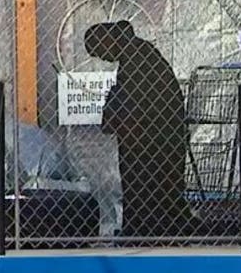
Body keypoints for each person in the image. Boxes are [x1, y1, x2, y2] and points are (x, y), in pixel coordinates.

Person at [84, 20, 197, 241]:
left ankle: (143, 228)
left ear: (107, 40)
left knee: (140, 179)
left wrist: (115, 115)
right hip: (159, 135)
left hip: (154, 138)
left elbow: (132, 103)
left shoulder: (135, 58)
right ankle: (149, 227)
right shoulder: (138, 52)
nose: (103, 58)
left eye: (99, 51)